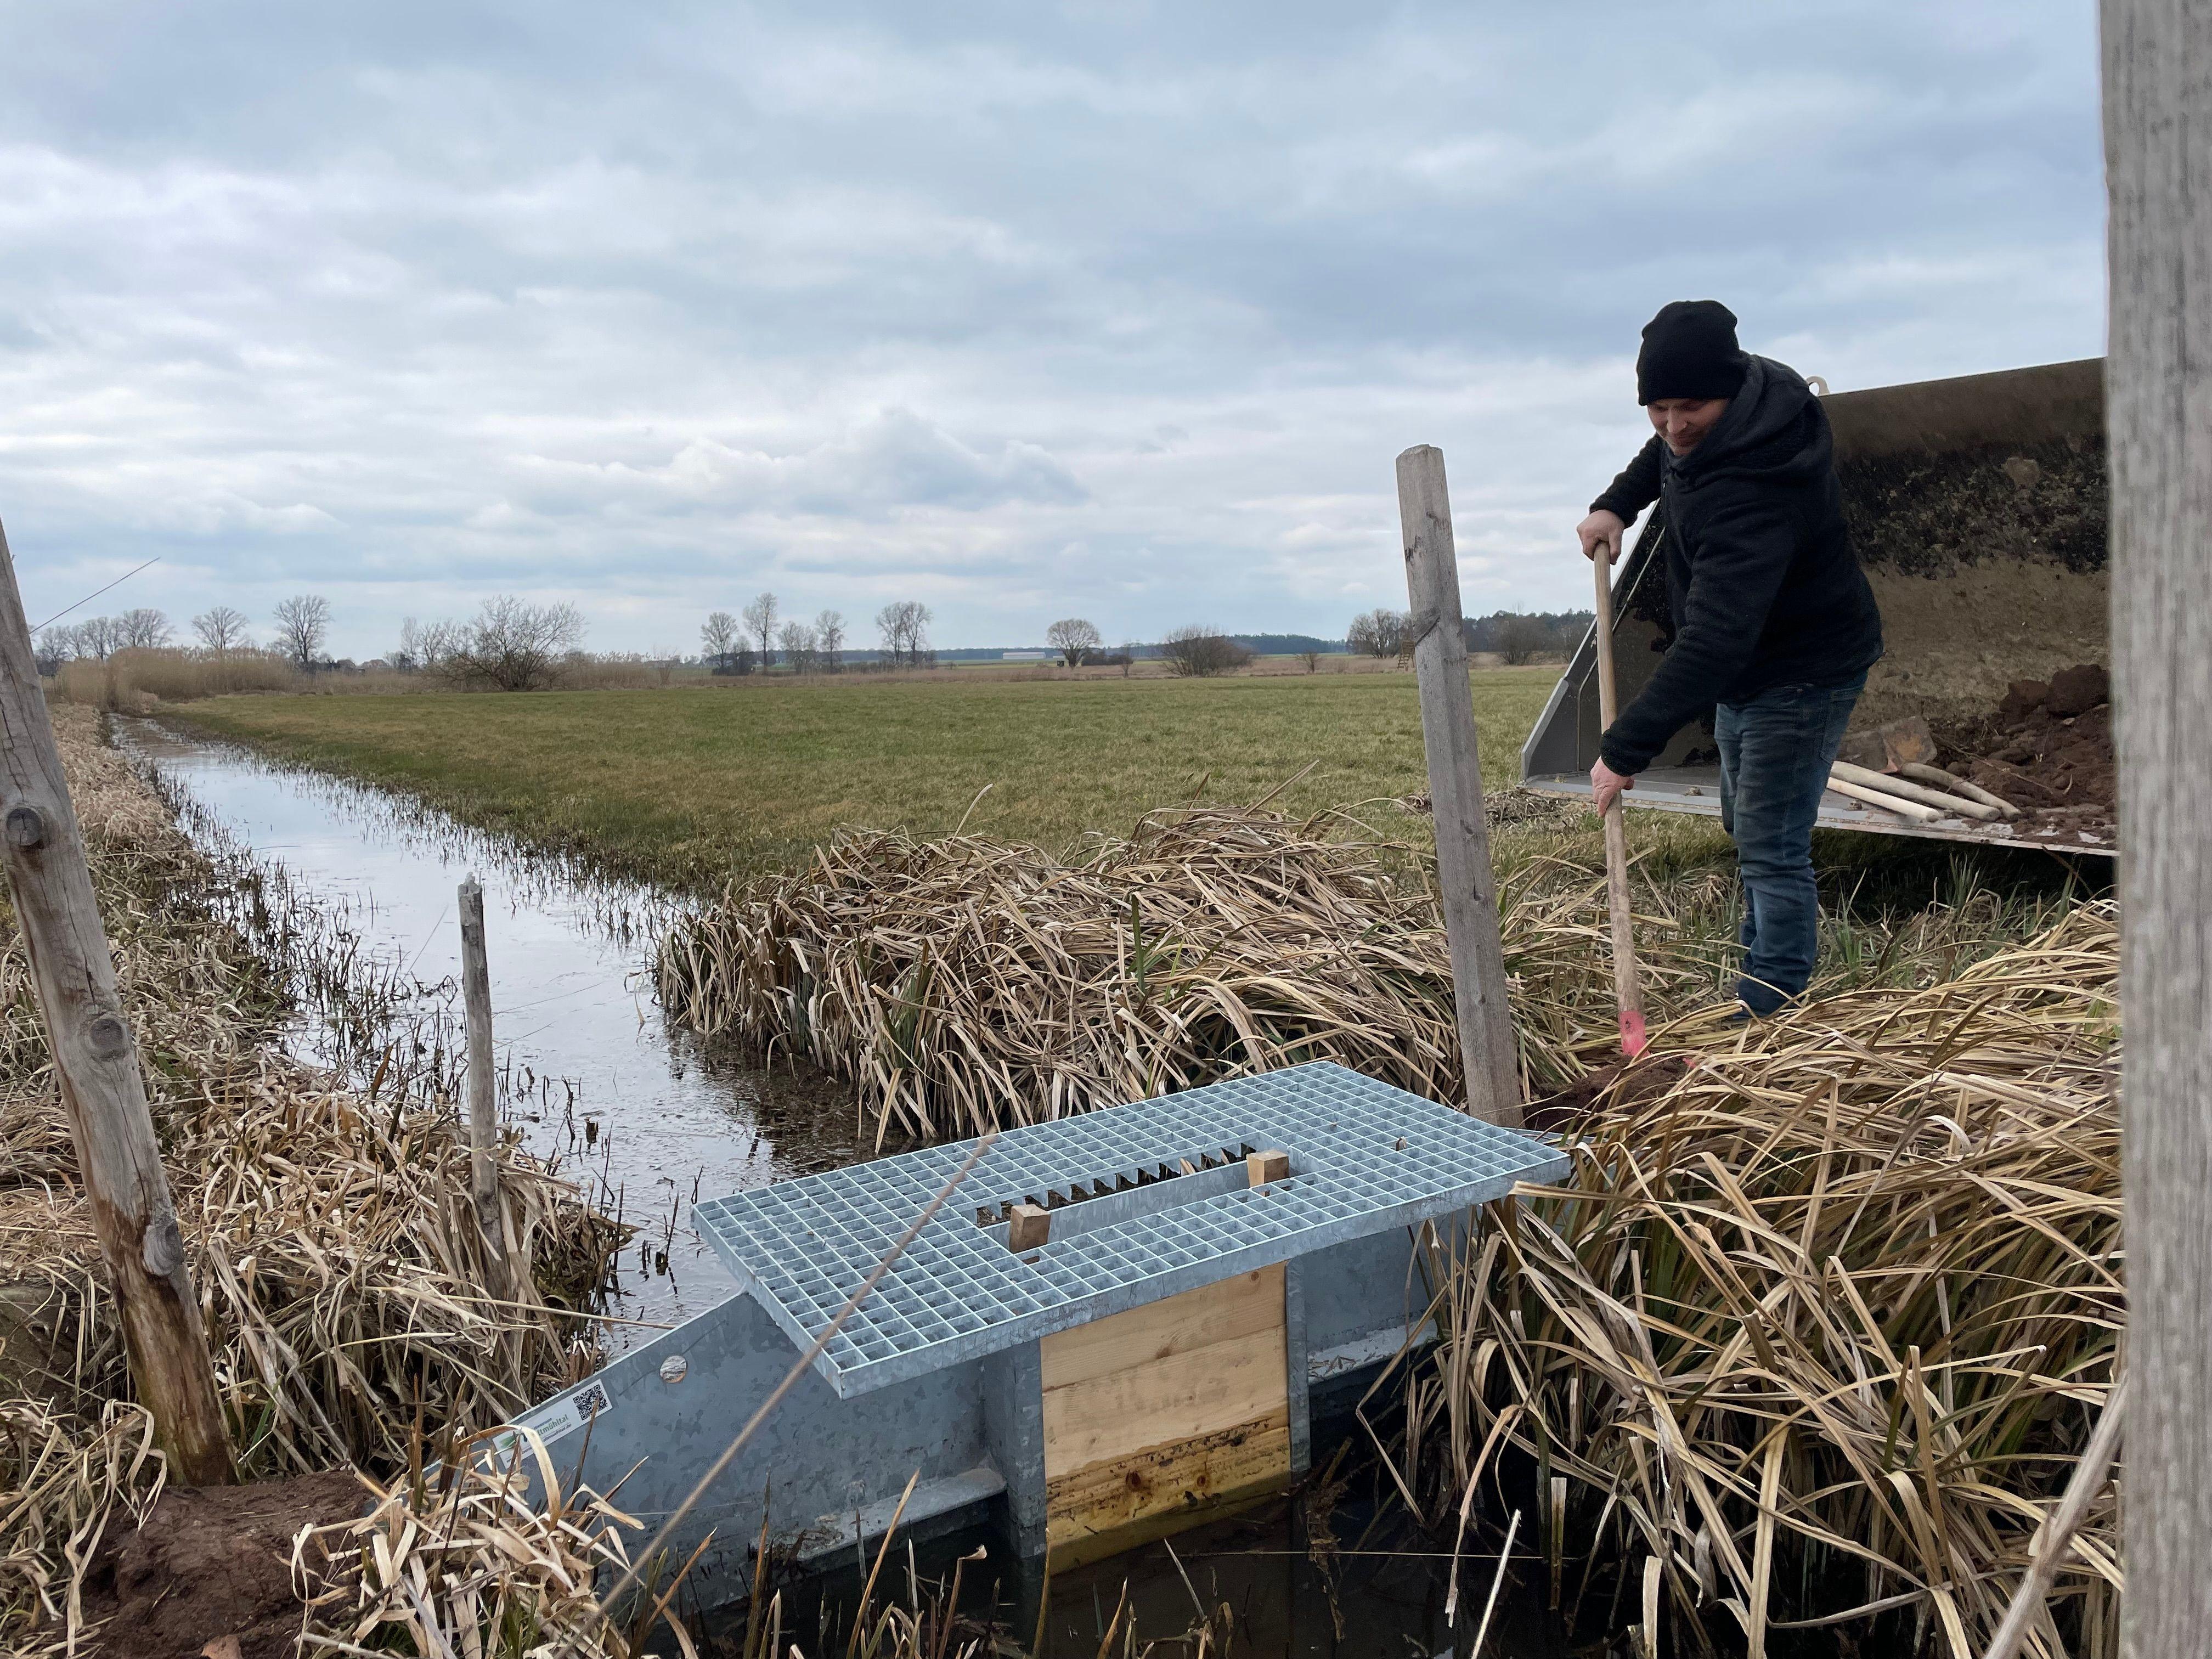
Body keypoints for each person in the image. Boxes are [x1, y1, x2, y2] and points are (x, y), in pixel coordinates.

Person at [1575, 300, 1882, 1017]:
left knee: (1772, 843)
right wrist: (1618, 504)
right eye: (1658, 407)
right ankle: (1761, 957)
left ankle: (1770, 1002)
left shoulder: (1758, 485)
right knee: (1745, 822)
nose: (1674, 425)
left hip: (1801, 672)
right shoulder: (1741, 404)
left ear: (1731, 389)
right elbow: (1669, 456)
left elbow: (1714, 642)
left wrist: (1624, 749)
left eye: (1691, 407)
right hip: (1752, 665)